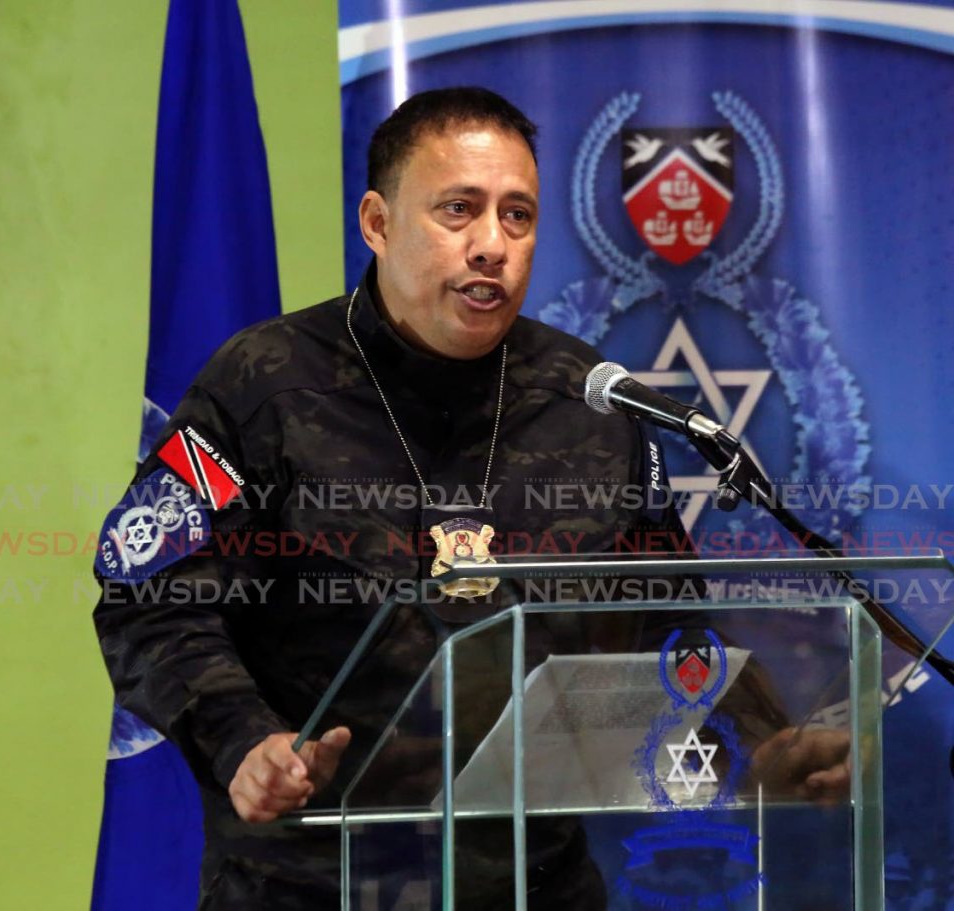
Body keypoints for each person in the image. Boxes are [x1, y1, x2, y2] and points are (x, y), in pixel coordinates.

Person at [92, 87, 724, 909]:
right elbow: (150, 591)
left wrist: (753, 739)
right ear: (378, 222)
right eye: (458, 210)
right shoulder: (266, 386)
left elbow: (669, 611)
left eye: (518, 216)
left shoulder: (590, 401)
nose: (491, 245)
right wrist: (244, 740)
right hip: (312, 881)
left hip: (535, 880)